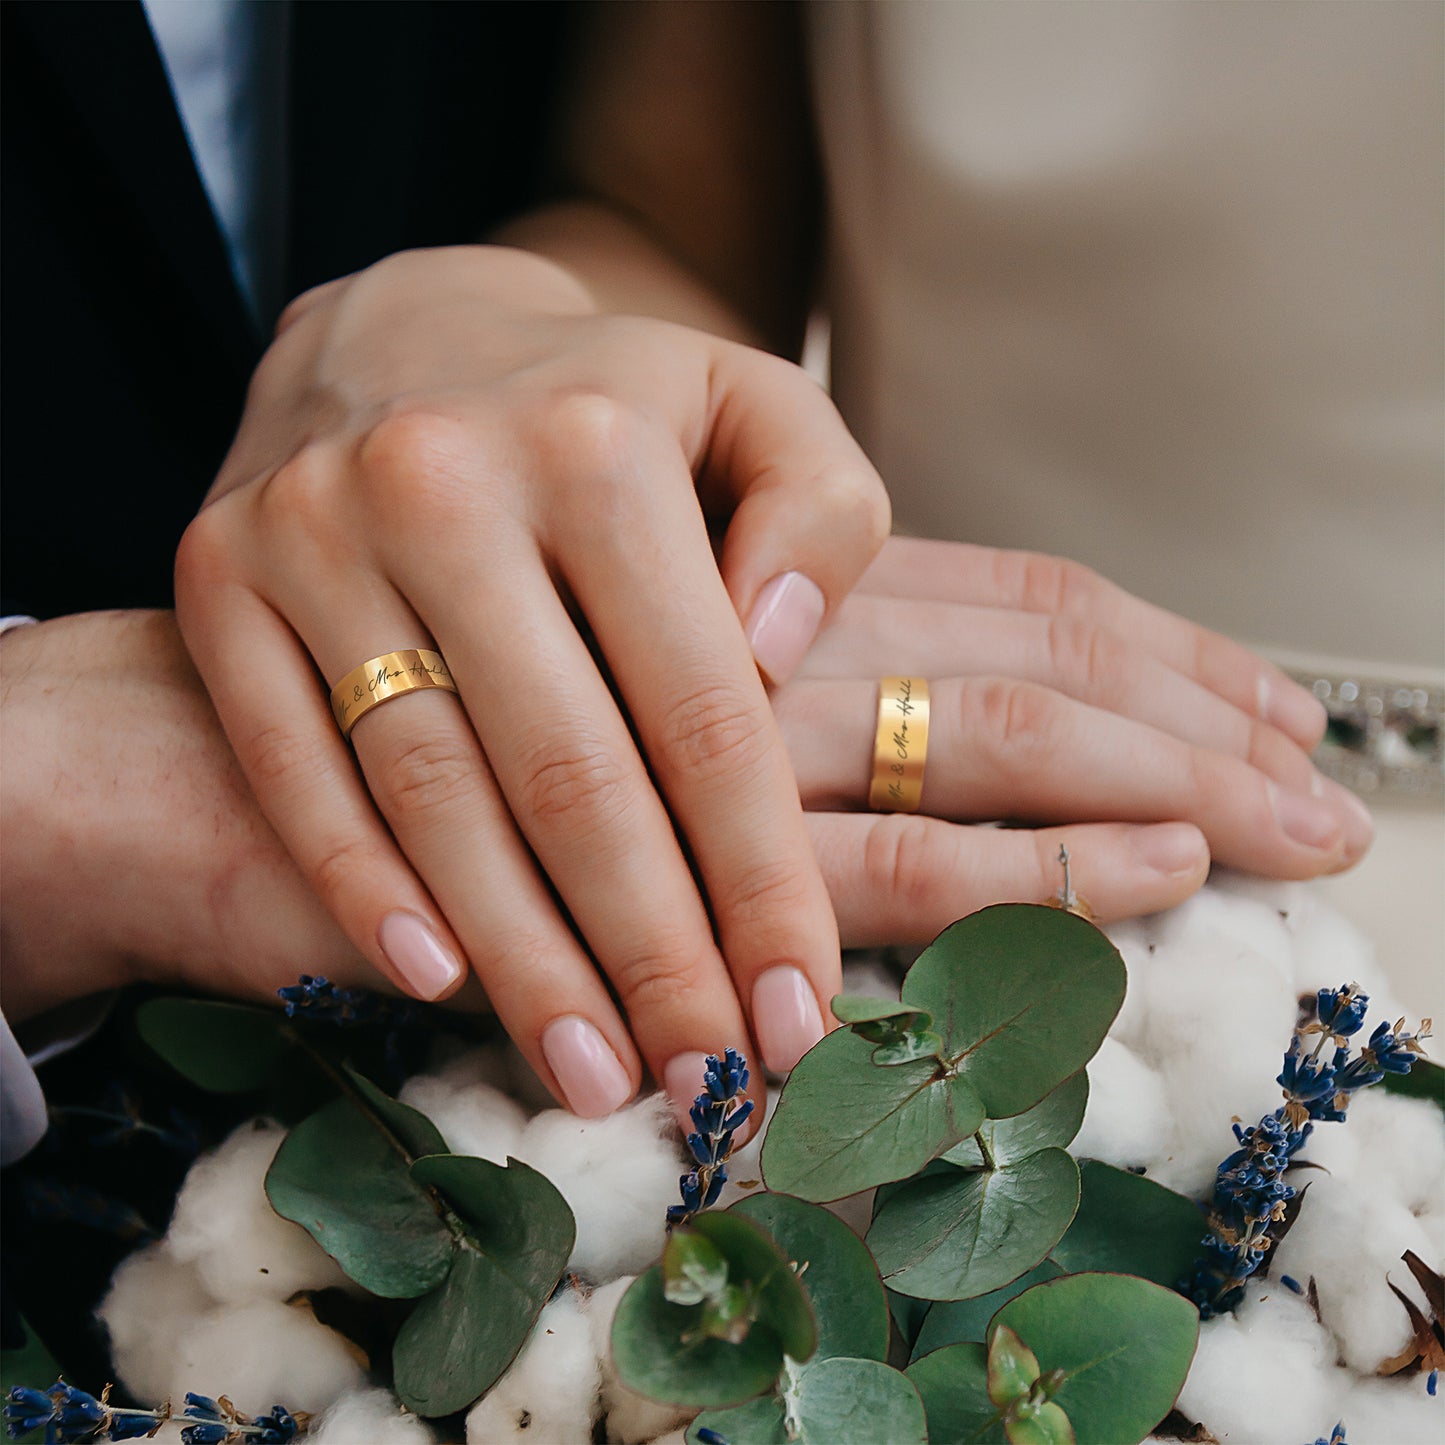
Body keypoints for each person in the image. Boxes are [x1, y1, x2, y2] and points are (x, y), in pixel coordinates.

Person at [1, 1, 1378, 1164]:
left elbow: (653, 220)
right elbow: (670, 195)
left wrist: (516, 324)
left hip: (954, 786)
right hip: (870, 929)